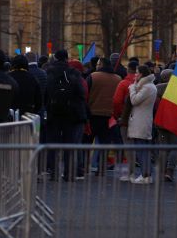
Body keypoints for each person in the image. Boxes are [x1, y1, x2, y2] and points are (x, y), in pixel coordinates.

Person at [45, 49, 88, 181]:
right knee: (69, 144)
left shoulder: (49, 71)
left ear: (56, 58)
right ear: (66, 58)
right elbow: (81, 93)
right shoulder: (73, 72)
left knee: (53, 144)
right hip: (70, 114)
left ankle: (54, 172)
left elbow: (45, 92)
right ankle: (69, 173)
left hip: (53, 113)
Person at [87, 57, 123, 172]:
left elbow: (85, 93)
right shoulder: (118, 78)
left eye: (98, 64)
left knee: (86, 143)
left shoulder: (93, 76)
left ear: (101, 64)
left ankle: (84, 167)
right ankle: (101, 169)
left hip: (92, 114)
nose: (96, 66)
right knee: (104, 143)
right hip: (109, 116)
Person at [127, 65, 157, 184]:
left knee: (142, 150)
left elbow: (134, 100)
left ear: (142, 74)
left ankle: (146, 175)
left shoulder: (147, 87)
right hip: (141, 120)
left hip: (141, 121)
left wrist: (132, 88)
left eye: (137, 73)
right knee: (142, 149)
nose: (135, 75)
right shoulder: (148, 86)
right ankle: (145, 174)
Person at [113, 60, 139, 180]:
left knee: (128, 145)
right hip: (140, 118)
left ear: (128, 69)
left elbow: (117, 101)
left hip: (126, 118)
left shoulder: (123, 83)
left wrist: (118, 115)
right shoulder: (144, 83)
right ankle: (143, 173)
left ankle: (131, 172)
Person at [155, 69, 177, 182]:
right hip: (176, 121)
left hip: (162, 121)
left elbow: (155, 105)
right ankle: (170, 171)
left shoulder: (158, 88)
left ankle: (162, 171)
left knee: (163, 147)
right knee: (175, 146)